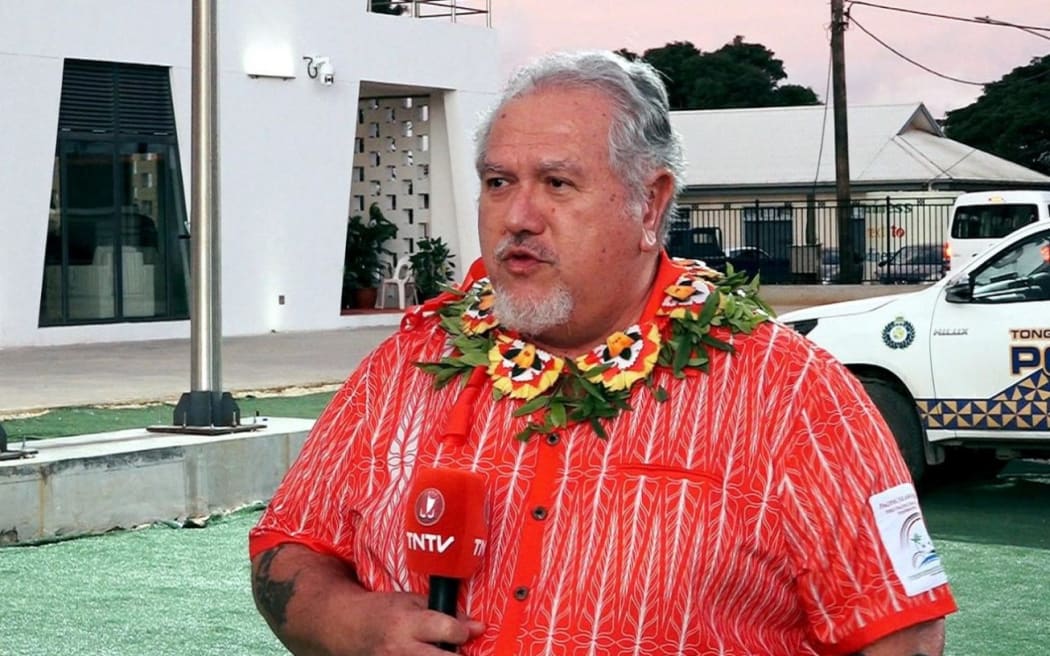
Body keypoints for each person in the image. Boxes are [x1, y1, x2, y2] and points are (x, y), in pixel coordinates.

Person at [249, 50, 956, 655]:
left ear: (650, 205)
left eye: (557, 184)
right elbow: (289, 542)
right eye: (499, 183)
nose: (518, 217)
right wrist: (346, 623)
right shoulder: (410, 362)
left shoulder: (793, 393)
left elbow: (899, 633)